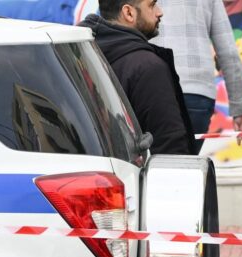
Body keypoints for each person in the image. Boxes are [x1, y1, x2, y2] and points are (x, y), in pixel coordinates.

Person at [80, 0, 198, 155]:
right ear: (129, 13)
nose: (159, 12)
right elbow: (169, 144)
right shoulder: (148, 67)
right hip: (141, 169)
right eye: (152, 5)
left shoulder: (81, 54)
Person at [150, 0, 242, 138]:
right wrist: (239, 108)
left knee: (156, 150)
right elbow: (228, 51)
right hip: (198, 93)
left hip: (152, 88)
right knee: (189, 151)